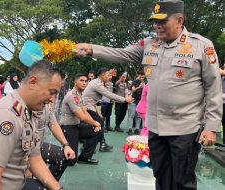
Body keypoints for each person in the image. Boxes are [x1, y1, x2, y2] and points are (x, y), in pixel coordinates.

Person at [74, 0, 222, 189]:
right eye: (155, 22)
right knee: (160, 176)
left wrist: (211, 127)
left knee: (182, 182)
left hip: (185, 128)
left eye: (162, 21)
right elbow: (121, 54)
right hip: (155, 127)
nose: (157, 26)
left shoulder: (200, 46)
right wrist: (92, 49)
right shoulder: (149, 45)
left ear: (179, 20)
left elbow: (213, 87)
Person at [0, 60, 65, 190]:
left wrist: (57, 188)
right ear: (33, 82)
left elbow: (35, 158)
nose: (52, 99)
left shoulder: (29, 110)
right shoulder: (6, 116)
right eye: (51, 92)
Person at [82, 68, 133, 152]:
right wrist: (124, 99)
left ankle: (99, 144)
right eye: (107, 75)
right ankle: (89, 146)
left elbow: (92, 100)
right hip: (86, 107)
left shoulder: (99, 82)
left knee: (99, 123)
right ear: (102, 75)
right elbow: (108, 94)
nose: (109, 77)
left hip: (89, 106)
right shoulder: (97, 84)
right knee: (97, 124)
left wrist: (98, 112)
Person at [60, 74, 103, 165]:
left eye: (85, 81)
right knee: (71, 161)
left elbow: (85, 112)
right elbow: (82, 117)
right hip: (68, 128)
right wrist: (95, 122)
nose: (84, 83)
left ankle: (84, 157)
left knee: (98, 132)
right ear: (75, 82)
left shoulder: (79, 95)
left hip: (77, 126)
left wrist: (94, 124)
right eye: (81, 80)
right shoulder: (72, 95)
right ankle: (61, 151)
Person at [34, 103, 75, 180]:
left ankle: (48, 184)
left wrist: (65, 145)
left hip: (39, 145)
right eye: (51, 92)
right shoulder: (24, 106)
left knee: (65, 156)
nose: (52, 99)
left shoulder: (45, 104)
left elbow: (53, 123)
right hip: (24, 152)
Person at [127, 71, 145, 135]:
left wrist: (144, 87)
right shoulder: (134, 82)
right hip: (133, 101)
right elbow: (132, 90)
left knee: (139, 116)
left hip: (140, 102)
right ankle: (130, 128)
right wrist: (139, 87)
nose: (141, 78)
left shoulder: (144, 83)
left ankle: (137, 129)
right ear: (138, 76)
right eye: (140, 77)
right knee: (132, 115)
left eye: (143, 77)